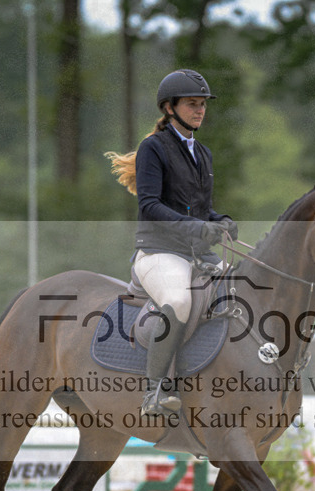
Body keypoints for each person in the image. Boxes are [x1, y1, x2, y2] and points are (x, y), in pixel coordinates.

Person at [105, 69, 237, 416]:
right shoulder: (154, 147)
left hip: (196, 254)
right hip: (158, 252)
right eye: (192, 105)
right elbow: (149, 205)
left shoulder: (202, 153)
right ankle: (155, 390)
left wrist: (219, 221)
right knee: (178, 300)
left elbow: (202, 209)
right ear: (169, 107)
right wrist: (196, 227)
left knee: (242, 289)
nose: (200, 111)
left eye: (203, 105)